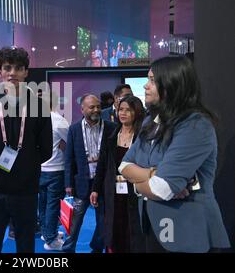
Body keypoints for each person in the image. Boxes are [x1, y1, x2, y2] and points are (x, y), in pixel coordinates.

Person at [119, 56, 230, 252]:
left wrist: (137, 182)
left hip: (187, 233)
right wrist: (152, 175)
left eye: (152, 80)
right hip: (154, 226)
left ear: (171, 83)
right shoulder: (150, 121)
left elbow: (162, 189)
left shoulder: (195, 125)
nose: (145, 86)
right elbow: (124, 165)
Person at [0, 46, 53, 253]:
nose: (12, 73)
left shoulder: (39, 106)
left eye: (18, 68)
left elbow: (46, 150)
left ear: (26, 72)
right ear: (0, 72)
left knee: (25, 246)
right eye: (7, 68)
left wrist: (25, 166)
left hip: (26, 192)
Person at [91, 95, 146, 253]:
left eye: (128, 110)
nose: (123, 113)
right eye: (121, 109)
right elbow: (102, 164)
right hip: (112, 192)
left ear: (137, 112)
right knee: (114, 231)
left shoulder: (143, 136)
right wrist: (95, 189)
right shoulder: (111, 134)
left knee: (133, 231)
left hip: (136, 192)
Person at [62, 94, 116, 253]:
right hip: (81, 183)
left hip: (104, 183)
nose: (96, 110)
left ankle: (97, 248)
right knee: (75, 222)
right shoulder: (74, 129)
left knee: (103, 222)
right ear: (82, 109)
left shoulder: (111, 127)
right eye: (92, 107)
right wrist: (68, 183)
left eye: (98, 106)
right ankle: (68, 248)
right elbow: (69, 158)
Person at [39, 91, 70, 251]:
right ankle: (51, 239)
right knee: (52, 205)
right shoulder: (59, 120)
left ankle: (47, 233)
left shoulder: (35, 120)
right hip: (55, 169)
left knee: (43, 203)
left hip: (39, 169)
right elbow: (70, 142)